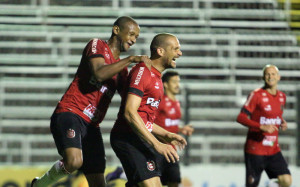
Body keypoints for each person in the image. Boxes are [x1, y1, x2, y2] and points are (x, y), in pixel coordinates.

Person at [31, 16, 150, 187]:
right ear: (116, 30)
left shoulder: (122, 71)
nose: (133, 40)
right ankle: (40, 185)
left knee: (98, 183)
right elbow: (99, 73)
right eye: (131, 34)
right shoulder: (97, 45)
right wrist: (131, 59)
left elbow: (130, 101)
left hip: (92, 127)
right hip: (71, 113)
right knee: (74, 161)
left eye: (136, 37)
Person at [110, 33, 187, 187]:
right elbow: (129, 113)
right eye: (175, 49)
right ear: (160, 51)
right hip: (127, 138)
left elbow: (144, 120)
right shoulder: (143, 71)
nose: (180, 53)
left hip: (138, 138)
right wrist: (156, 144)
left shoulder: (157, 78)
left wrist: (166, 134)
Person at [106, 71, 194, 187]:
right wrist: (159, 140)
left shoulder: (176, 103)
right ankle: (122, 174)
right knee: (149, 179)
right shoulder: (159, 101)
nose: (177, 85)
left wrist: (180, 129)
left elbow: (167, 123)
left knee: (173, 181)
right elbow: (147, 121)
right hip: (157, 146)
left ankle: (123, 174)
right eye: (174, 82)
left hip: (169, 147)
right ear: (166, 84)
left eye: (178, 81)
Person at [236, 64, 292, 187]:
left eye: (273, 74)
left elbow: (274, 113)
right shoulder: (256, 95)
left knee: (286, 180)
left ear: (278, 77)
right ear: (263, 77)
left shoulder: (282, 97)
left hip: (273, 149)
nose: (270, 76)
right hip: (255, 150)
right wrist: (260, 126)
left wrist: (281, 121)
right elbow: (241, 117)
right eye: (267, 74)